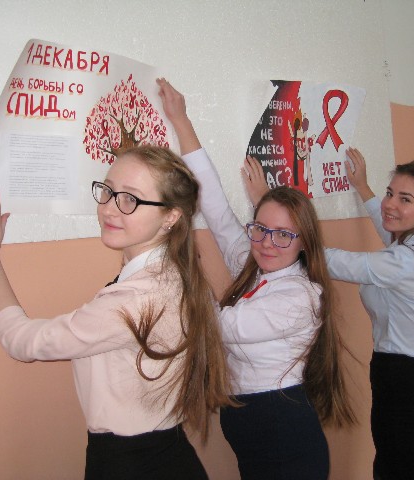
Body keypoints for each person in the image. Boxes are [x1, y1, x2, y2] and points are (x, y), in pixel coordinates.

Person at [0, 145, 233, 479]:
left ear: (171, 216)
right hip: (169, 454)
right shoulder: (177, 274)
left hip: (131, 465)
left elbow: (21, 341)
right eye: (107, 190)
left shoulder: (133, 300)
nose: (109, 208)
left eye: (130, 199)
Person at [157, 78, 355, 480]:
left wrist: (182, 265)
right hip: (254, 430)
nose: (266, 243)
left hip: (286, 436)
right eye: (260, 228)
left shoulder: (302, 297)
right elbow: (215, 207)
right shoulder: (255, 267)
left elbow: (220, 326)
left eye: (283, 234)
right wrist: (182, 122)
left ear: (305, 242)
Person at [243, 147, 414, 480]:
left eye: (405, 199)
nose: (390, 204)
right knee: (401, 468)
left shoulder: (406, 261)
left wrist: (275, 218)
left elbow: (338, 262)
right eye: (390, 193)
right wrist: (363, 187)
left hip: (405, 386)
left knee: (399, 471)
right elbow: (387, 228)